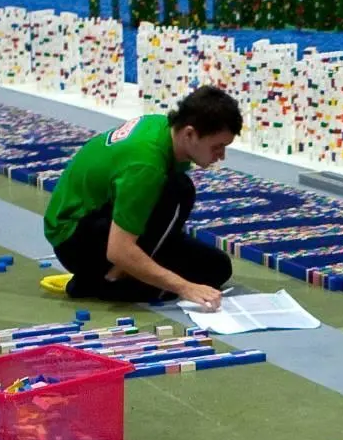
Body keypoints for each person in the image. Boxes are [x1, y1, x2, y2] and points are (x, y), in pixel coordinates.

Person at [42, 86, 240, 312]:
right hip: (75, 238)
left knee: (217, 268)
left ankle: (127, 271)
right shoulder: (146, 166)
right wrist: (185, 287)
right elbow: (118, 250)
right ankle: (102, 281)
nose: (221, 156)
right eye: (217, 147)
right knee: (178, 191)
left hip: (99, 216)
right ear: (189, 134)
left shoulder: (163, 128)